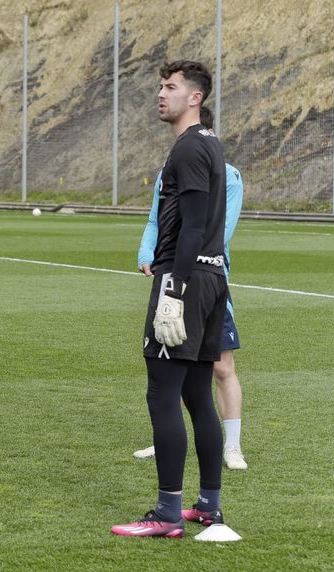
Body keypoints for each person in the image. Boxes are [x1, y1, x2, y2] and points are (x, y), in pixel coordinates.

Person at [112, 60, 229, 538]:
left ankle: (166, 513)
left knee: (162, 394)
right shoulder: (210, 143)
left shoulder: (189, 147)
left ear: (195, 97)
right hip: (212, 278)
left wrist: (173, 289)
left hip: (186, 279)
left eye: (171, 87)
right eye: (161, 86)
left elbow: (194, 225)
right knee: (197, 394)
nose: (161, 94)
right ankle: (208, 506)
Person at [132, 106, 248, 471]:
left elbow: (219, 230)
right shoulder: (169, 170)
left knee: (222, 366)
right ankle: (167, 437)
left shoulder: (229, 176)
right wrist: (147, 252)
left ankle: (232, 446)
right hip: (174, 274)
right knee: (174, 368)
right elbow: (156, 218)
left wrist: (188, 262)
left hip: (205, 280)